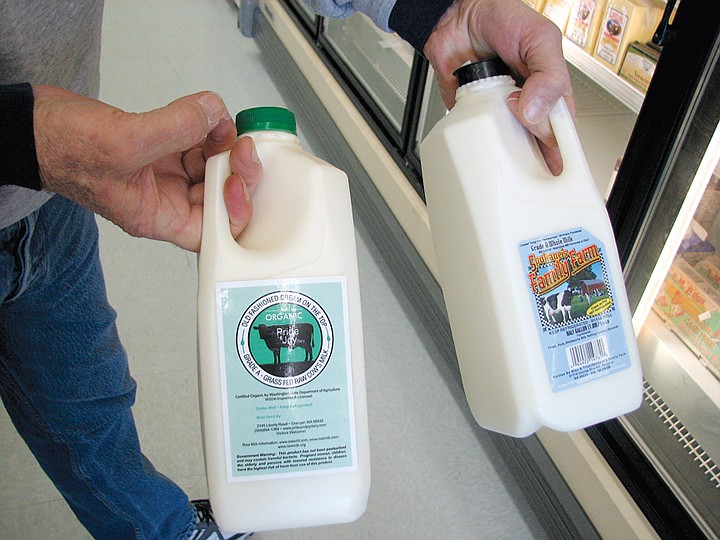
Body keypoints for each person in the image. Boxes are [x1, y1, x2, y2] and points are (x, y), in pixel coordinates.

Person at [0, 0, 572, 538]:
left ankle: (163, 529)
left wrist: (444, 12)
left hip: (49, 198)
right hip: (42, 155)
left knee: (88, 401)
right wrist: (24, 136)